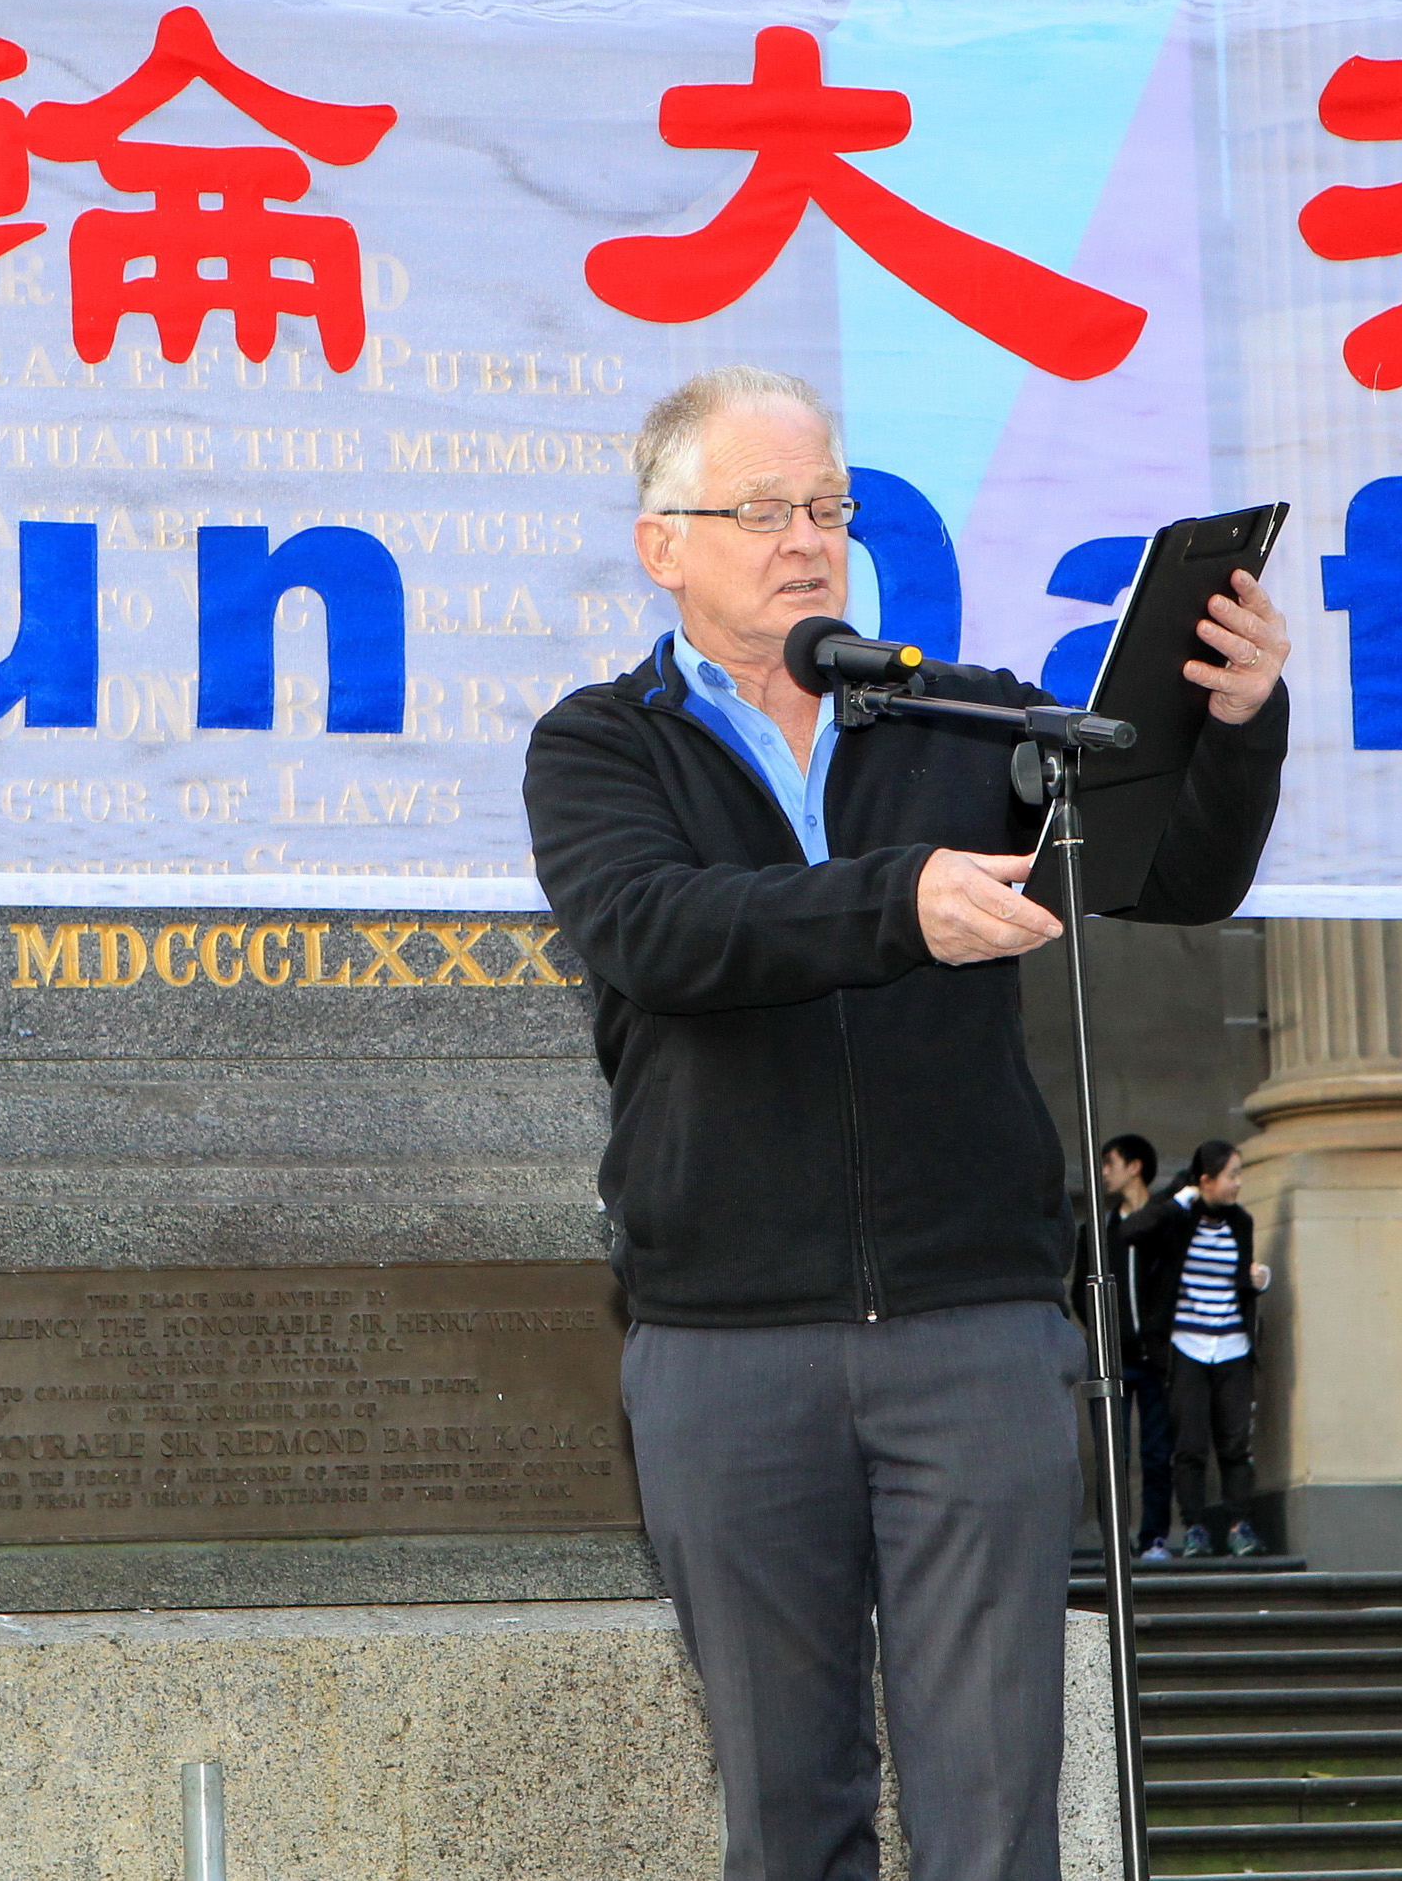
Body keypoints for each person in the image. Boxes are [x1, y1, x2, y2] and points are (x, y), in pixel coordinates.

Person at [524, 363, 1291, 1881]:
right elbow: (656, 931)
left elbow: (1173, 877)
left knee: (992, 1812)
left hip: (973, 1331)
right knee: (789, 1809)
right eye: (762, 510)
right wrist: (898, 901)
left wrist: (1238, 724)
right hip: (728, 1345)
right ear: (662, 543)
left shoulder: (963, 720)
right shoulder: (602, 744)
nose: (806, 539)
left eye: (827, 506)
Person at [1113, 1138, 1270, 1558]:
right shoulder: (1179, 1216)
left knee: (1236, 1445)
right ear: (1206, 1180)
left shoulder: (1241, 1222)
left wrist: (1259, 1280)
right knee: (1190, 1446)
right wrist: (1179, 1199)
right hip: (1187, 1347)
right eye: (1232, 1175)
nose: (1238, 1183)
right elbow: (1131, 1231)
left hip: (1233, 1345)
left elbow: (1242, 1277)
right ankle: (1195, 1527)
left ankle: (1239, 1525)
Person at [1077, 1134, 1180, 1563]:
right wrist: (1104, 1333)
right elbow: (1081, 1292)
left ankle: (1154, 1538)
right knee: (1112, 1455)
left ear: (1135, 1167)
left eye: (1111, 1163)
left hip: (1157, 1358)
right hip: (1111, 1358)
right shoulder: (1097, 1231)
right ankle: (1116, 1542)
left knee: (1157, 1452)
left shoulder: (1167, 1221)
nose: (1104, 1172)